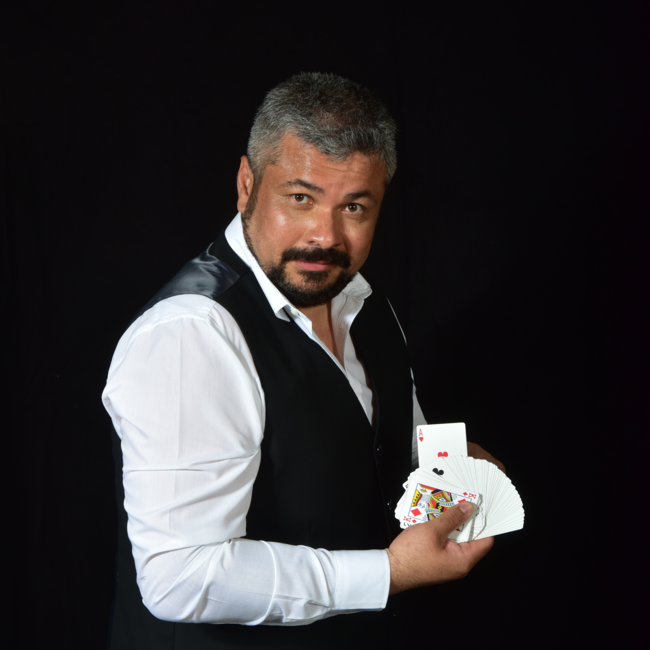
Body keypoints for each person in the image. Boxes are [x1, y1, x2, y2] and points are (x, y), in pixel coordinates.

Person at [102, 72, 499, 650]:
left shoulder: (363, 302)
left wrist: (455, 465)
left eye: (354, 207)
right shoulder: (192, 335)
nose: (324, 236)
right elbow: (181, 578)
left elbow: (393, 448)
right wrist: (389, 572)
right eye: (301, 198)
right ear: (247, 184)